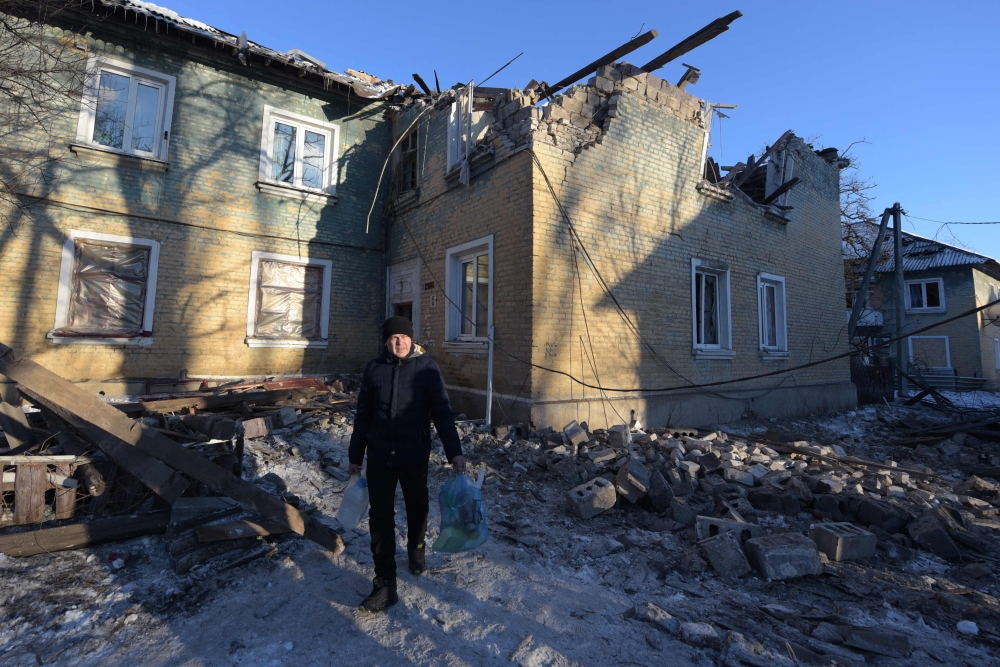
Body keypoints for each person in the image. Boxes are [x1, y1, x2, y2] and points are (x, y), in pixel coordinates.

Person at [348, 315, 465, 614]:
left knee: (417, 506)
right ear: (386, 341)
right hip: (379, 456)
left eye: (404, 336)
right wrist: (355, 455)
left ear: (412, 339)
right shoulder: (374, 369)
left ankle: (416, 548)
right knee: (380, 519)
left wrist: (455, 453)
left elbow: (442, 412)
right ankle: (385, 584)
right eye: (393, 337)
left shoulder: (427, 368)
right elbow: (363, 415)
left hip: (414, 454)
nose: (399, 341)